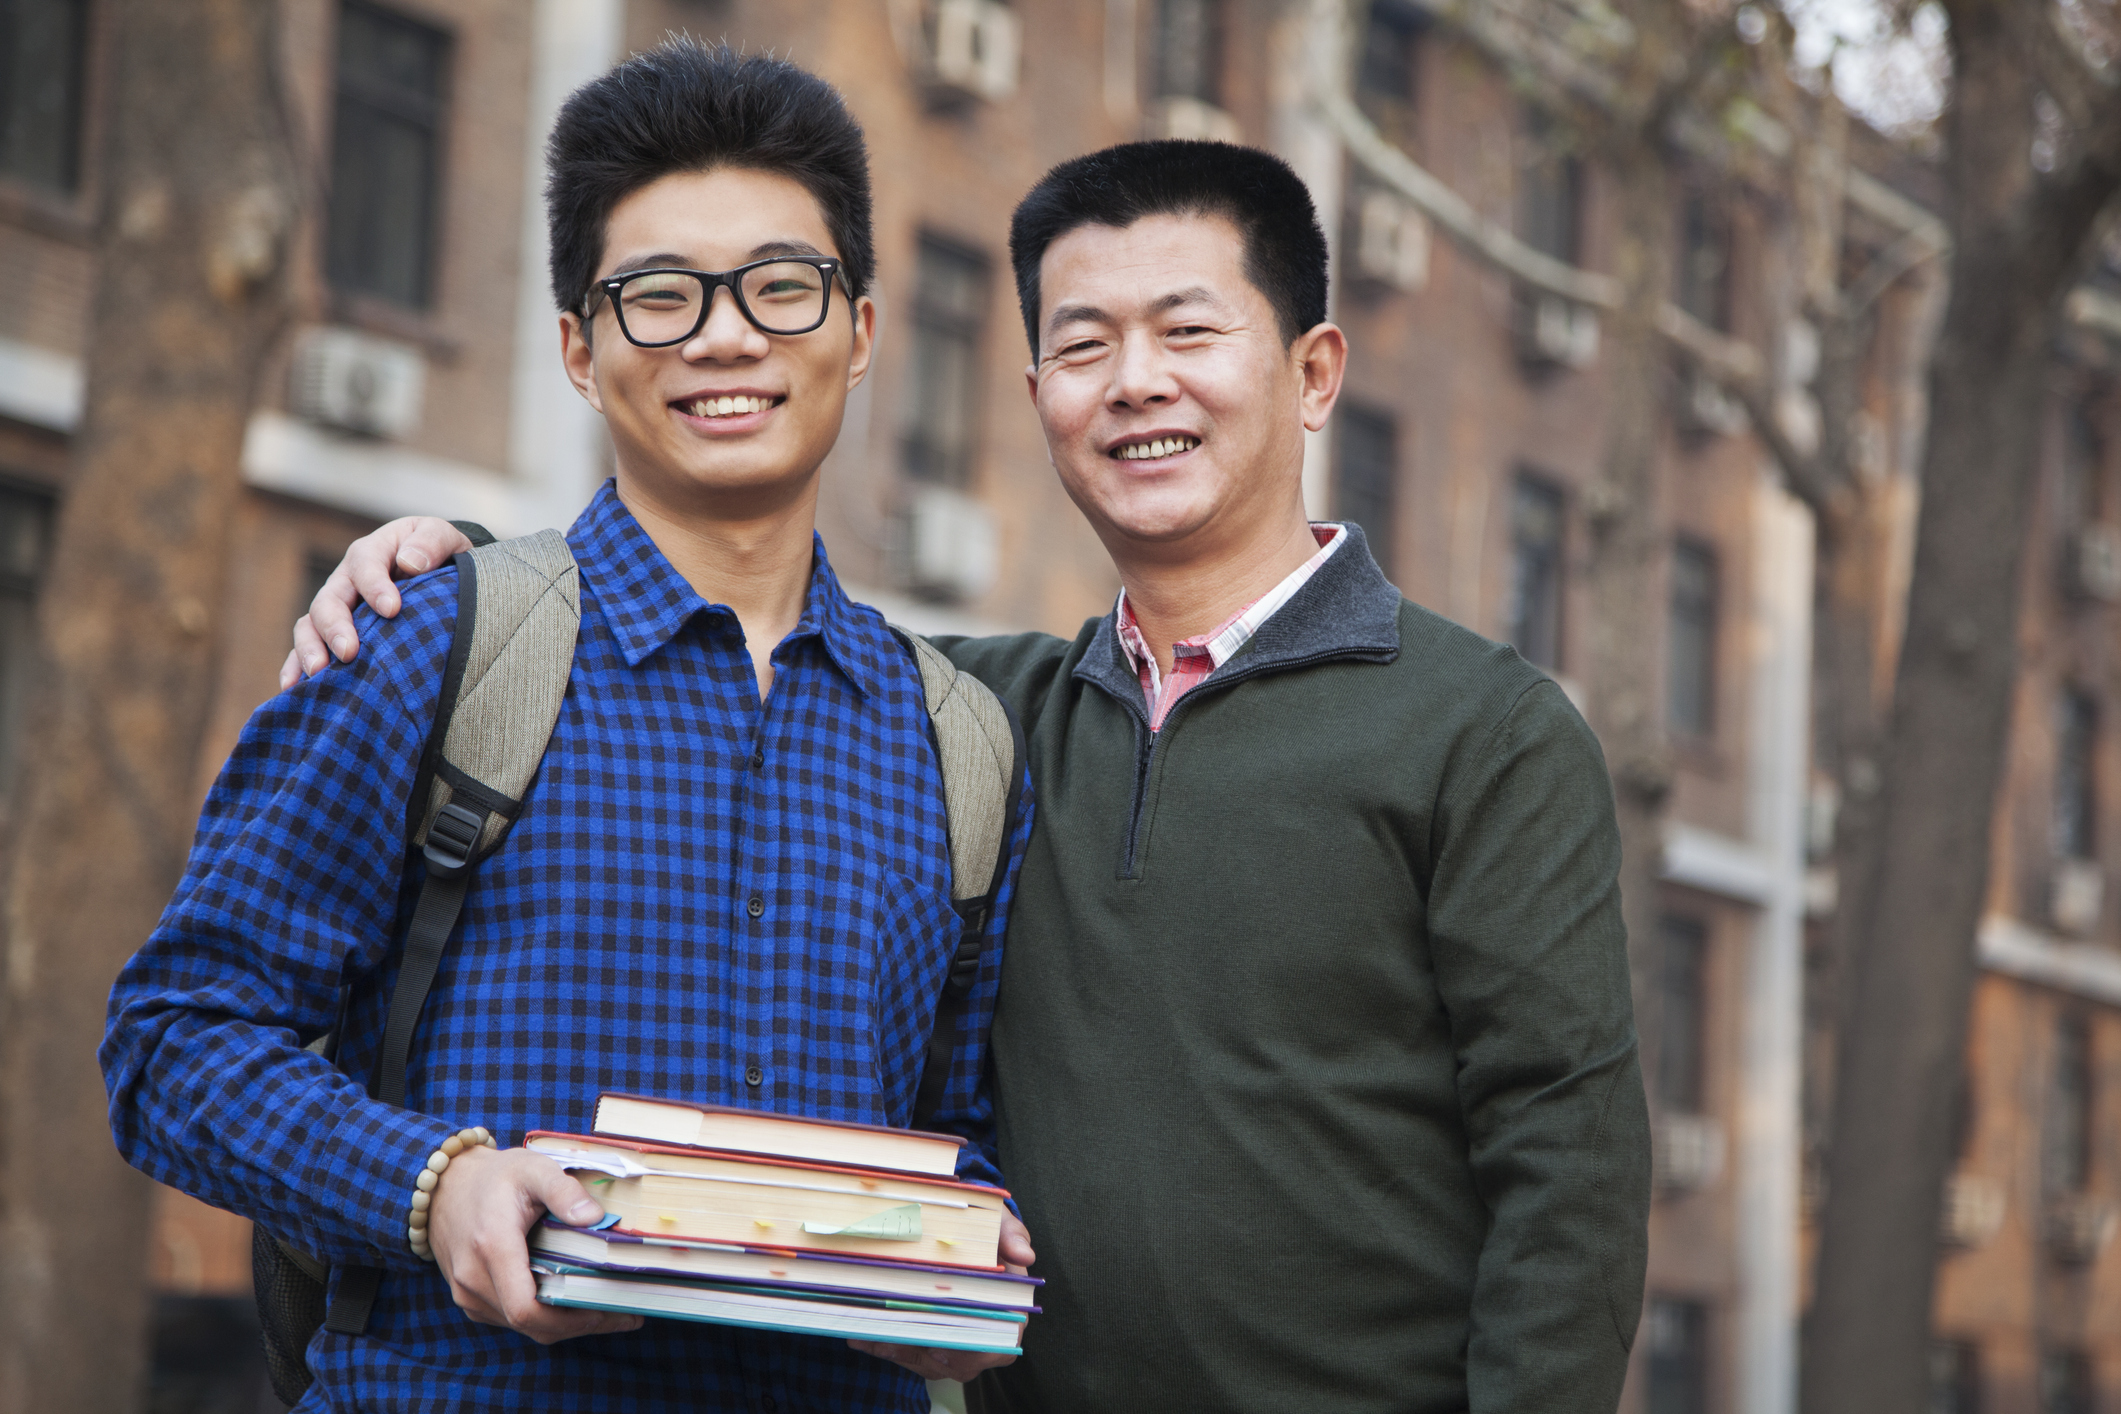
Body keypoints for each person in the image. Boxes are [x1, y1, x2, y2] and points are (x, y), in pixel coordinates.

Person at [292, 141, 1651, 1412]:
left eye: (1187, 331)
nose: (1134, 381)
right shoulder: (981, 716)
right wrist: (454, 562)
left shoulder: (1484, 730)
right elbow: (721, 631)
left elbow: (1564, 1174)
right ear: (1038, 399)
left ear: (1310, 371)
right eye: (1082, 344)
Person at [104, 42, 1033, 1413]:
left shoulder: (955, 741)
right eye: (658, 296)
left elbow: (964, 1127)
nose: (725, 337)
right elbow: (173, 1037)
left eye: (782, 287)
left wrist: (971, 1261)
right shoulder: (434, 645)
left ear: (862, 328)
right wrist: (435, 1187)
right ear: (577, 349)